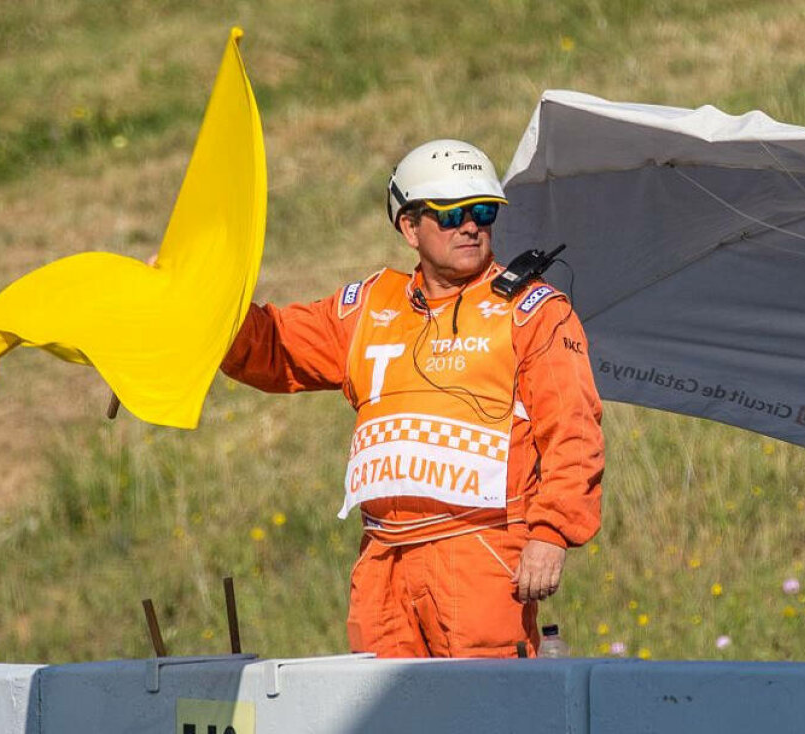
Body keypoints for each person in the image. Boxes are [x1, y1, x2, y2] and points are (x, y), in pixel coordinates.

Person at [221, 139, 604, 658]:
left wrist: (552, 533)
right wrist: (205, 302)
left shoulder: (534, 312)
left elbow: (574, 433)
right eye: (451, 215)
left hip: (482, 554)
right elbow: (272, 347)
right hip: (383, 560)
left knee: (484, 714)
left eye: (483, 211)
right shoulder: (365, 307)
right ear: (409, 226)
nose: (471, 226)